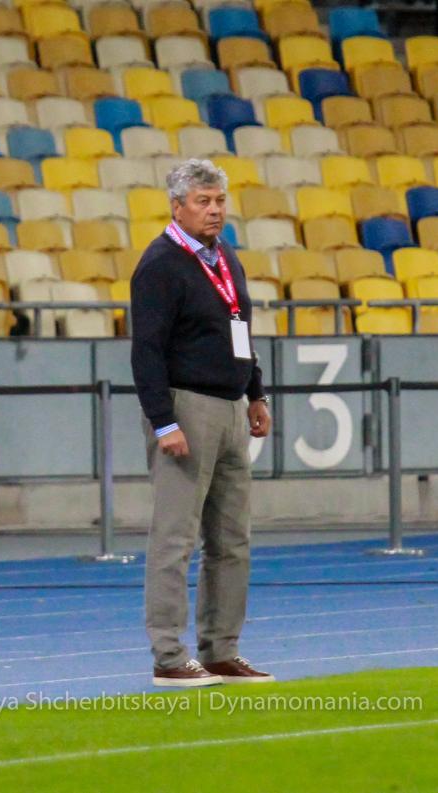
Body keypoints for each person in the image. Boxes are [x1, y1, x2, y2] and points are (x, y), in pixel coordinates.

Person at [131, 159, 276, 688]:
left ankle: (221, 650)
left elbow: (240, 327)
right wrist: (163, 421)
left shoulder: (225, 257)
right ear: (177, 207)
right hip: (188, 406)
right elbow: (146, 350)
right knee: (175, 539)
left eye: (219, 201)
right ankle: (169, 655)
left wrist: (255, 391)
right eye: (202, 202)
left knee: (232, 540)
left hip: (232, 405)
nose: (214, 211)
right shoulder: (160, 264)